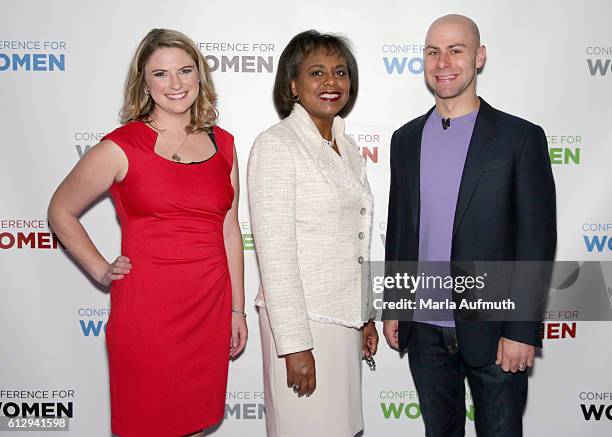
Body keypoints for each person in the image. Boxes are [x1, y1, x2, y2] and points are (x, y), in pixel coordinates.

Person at [48, 29, 247, 437]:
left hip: (209, 309)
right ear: (144, 82)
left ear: (200, 77)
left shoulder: (224, 145)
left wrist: (237, 310)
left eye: (185, 71)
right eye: (161, 74)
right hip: (147, 314)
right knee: (146, 423)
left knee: (195, 422)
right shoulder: (122, 146)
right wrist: (101, 270)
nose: (175, 84)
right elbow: (60, 211)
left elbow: (230, 231)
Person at [383, 14, 556, 437]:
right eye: (432, 52)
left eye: (455, 50)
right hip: (423, 332)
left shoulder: (519, 137)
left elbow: (536, 240)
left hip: (496, 330)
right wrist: (394, 305)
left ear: (479, 57)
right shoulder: (405, 139)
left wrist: (521, 330)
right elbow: (401, 230)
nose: (443, 62)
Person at [247, 30, 379, 437]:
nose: (331, 82)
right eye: (317, 72)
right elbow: (275, 254)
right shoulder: (277, 146)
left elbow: (356, 241)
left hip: (343, 320)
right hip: (304, 323)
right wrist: (294, 346)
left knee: (343, 429)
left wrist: (366, 315)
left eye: (340, 72)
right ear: (293, 85)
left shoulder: (347, 146)